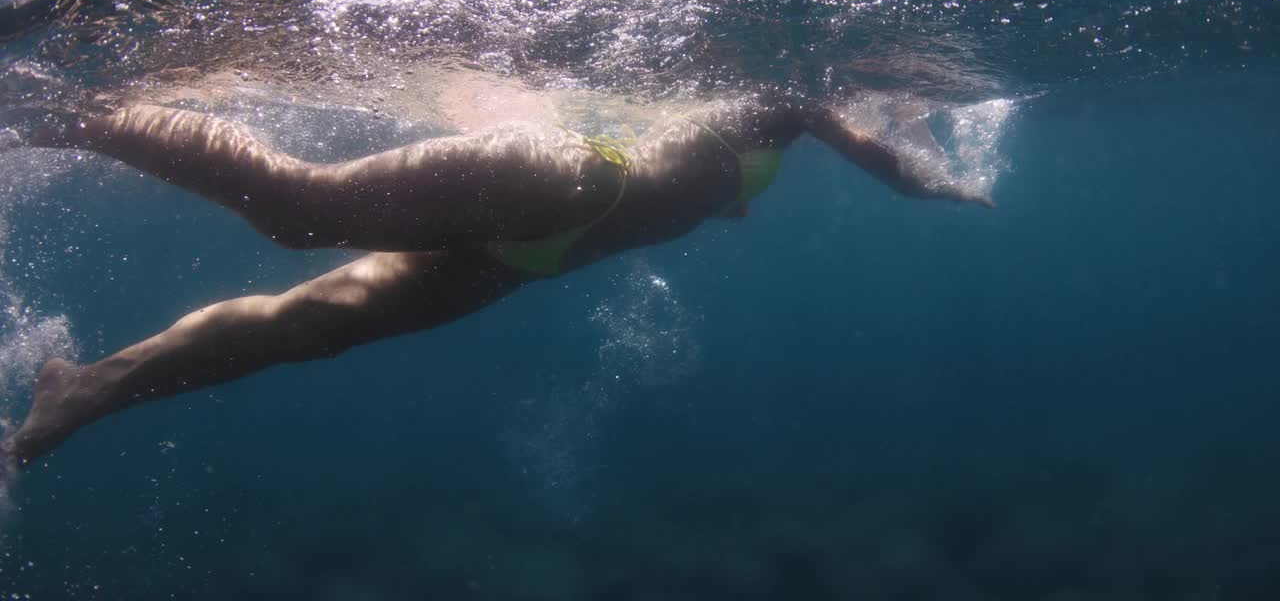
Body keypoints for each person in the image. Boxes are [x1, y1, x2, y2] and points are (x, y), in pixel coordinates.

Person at [0, 91, 993, 474]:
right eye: (895, 94)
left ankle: (84, 391)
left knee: (309, 328)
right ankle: (64, 108)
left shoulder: (776, 127)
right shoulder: (789, 95)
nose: (894, 102)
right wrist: (940, 180)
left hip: (537, 255)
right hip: (555, 176)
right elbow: (879, 160)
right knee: (297, 212)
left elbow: (706, 182)